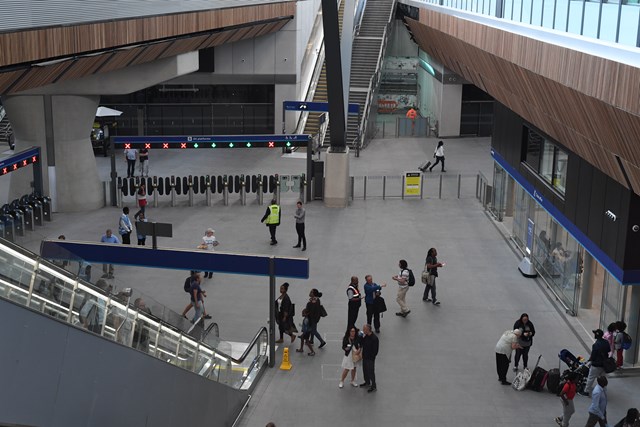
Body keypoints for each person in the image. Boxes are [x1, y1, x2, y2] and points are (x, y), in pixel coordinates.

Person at [580, 329, 611, 396]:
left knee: (590, 378)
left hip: (596, 365)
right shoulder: (606, 342)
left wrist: (589, 361)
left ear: (596, 336)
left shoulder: (596, 345)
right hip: (604, 364)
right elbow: (609, 350)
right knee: (603, 378)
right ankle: (604, 392)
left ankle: (586, 391)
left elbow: (593, 356)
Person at [360, 324, 379, 392]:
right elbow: (362, 344)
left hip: (370, 359)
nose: (363, 330)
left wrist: (371, 357)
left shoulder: (374, 338)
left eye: (364, 329)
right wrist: (361, 337)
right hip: (365, 357)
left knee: (371, 372)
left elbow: (375, 351)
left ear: (368, 330)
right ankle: (367, 382)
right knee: (365, 371)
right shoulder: (366, 336)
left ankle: (373, 386)